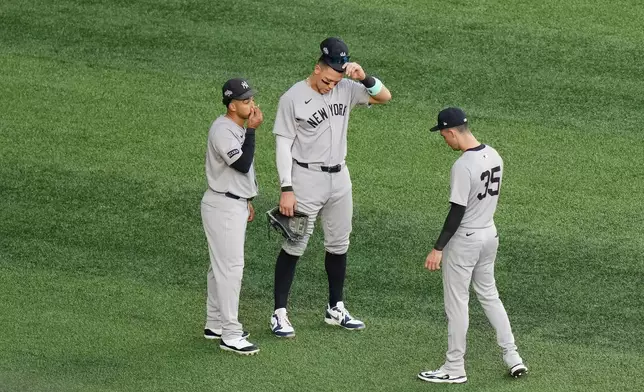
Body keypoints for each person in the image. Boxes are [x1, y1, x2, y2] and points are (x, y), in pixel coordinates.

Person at [269, 37, 392, 338]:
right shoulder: (292, 98)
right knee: (294, 243)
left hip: (340, 178)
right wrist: (286, 187)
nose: (329, 86)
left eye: (335, 81)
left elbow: (384, 97)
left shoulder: (347, 88)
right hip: (305, 178)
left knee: (339, 244)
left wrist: (364, 78)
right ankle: (279, 313)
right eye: (326, 80)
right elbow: (283, 145)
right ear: (316, 68)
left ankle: (335, 307)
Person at [418, 107, 528, 383]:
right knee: (490, 296)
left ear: (452, 132)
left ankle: (454, 367)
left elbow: (456, 211)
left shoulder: (463, 166)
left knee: (457, 304)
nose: (445, 141)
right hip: (489, 234)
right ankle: (513, 356)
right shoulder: (494, 155)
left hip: (465, 240)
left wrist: (438, 248)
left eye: (444, 136)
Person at [201, 78, 263, 355]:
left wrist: (246, 199)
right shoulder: (223, 129)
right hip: (223, 206)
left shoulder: (235, 127)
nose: (251, 104)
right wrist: (252, 131)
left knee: (220, 268)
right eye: (246, 100)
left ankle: (215, 323)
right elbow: (241, 164)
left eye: (251, 99)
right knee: (231, 269)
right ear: (232, 104)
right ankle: (230, 333)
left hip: (232, 203)